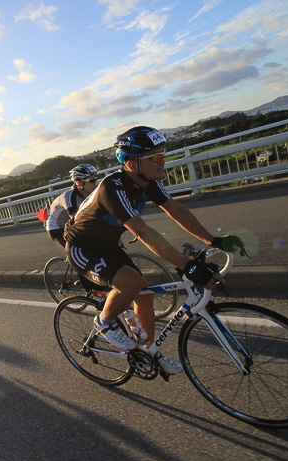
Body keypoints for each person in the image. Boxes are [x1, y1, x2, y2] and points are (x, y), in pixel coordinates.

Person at [64, 125, 246, 375]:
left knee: (145, 293)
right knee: (131, 283)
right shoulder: (112, 187)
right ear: (130, 163)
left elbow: (175, 209)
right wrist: (188, 265)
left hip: (107, 245)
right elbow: (144, 232)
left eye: (164, 155)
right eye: (156, 157)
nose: (163, 162)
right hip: (81, 247)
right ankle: (105, 323)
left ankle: (147, 350)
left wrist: (214, 240)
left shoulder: (147, 182)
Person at [44, 164, 99, 249]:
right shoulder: (69, 197)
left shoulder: (89, 195)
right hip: (56, 228)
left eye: (95, 179)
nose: (95, 183)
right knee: (79, 251)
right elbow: (78, 221)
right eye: (91, 180)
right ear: (79, 182)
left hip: (70, 226)